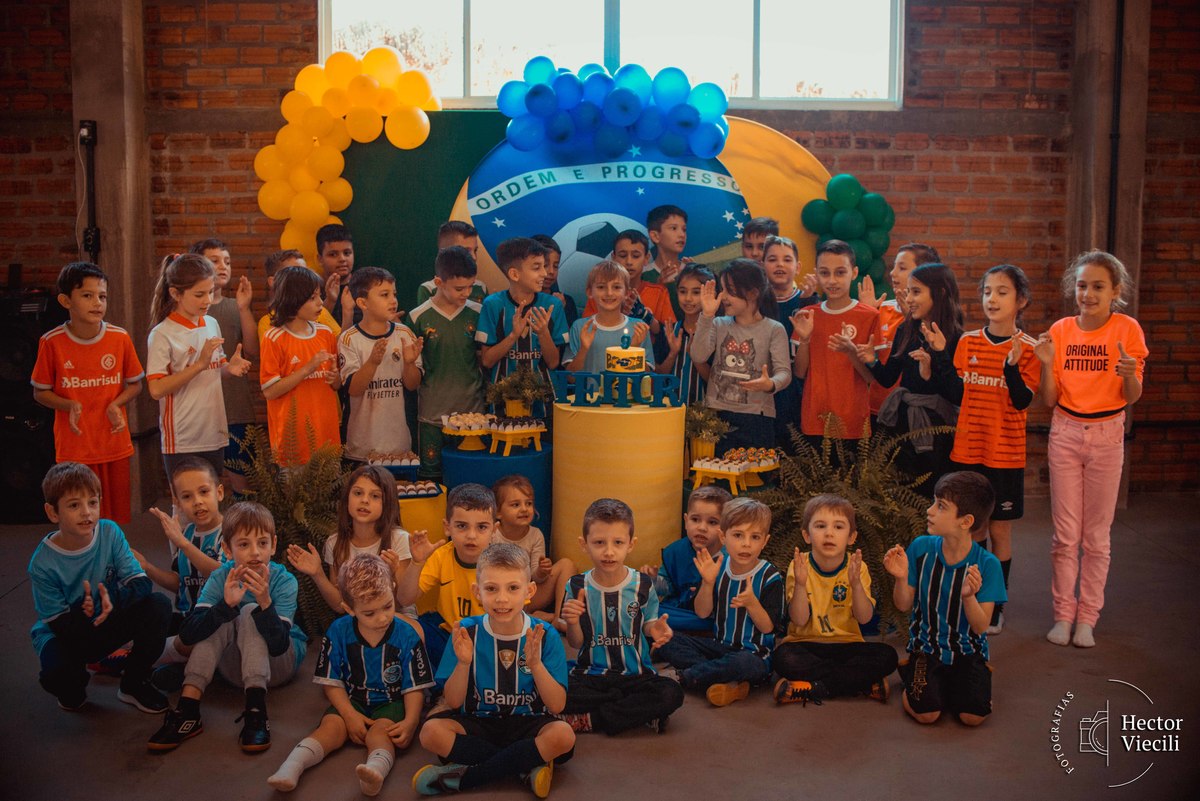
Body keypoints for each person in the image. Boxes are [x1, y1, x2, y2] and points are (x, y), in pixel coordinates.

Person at [1036, 250, 1147, 649]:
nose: (1088, 294)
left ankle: (1087, 618)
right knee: (1065, 535)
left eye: (1098, 286)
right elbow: (1049, 399)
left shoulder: (1127, 329)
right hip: (1065, 432)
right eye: (1082, 286)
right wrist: (1046, 363)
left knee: (1097, 537)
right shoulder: (1062, 329)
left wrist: (1130, 374)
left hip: (1107, 434)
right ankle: (1063, 615)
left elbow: (1132, 396)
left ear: (1115, 291)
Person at [929, 264, 1040, 635]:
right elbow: (957, 393)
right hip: (967, 452)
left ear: (1021, 300)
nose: (992, 299)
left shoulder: (1029, 348)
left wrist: (1012, 367)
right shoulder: (968, 342)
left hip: (1004, 455)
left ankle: (995, 605)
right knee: (972, 531)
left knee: (1000, 533)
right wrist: (941, 354)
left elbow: (1022, 400)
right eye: (988, 291)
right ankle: (971, 600)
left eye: (1002, 292)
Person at [413, 542, 575, 797]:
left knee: (563, 736)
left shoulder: (544, 634)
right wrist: (463, 663)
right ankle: (524, 767)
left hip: (527, 722)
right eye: (491, 588)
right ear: (477, 592)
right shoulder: (466, 631)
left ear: (529, 590)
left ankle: (466, 777)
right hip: (479, 721)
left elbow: (557, 705)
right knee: (431, 733)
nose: (502, 598)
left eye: (513, 588)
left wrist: (535, 665)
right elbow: (453, 702)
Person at [148, 501, 308, 752]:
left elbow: (278, 646)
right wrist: (224, 606)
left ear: (273, 545)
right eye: (244, 544)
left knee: (249, 610)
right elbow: (189, 634)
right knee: (218, 615)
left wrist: (265, 603)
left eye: (262, 543)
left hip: (278, 665)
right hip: (236, 665)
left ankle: (256, 712)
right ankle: (188, 711)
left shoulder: (284, 581)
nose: (255, 552)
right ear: (227, 549)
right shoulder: (220, 576)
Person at [268, 554, 433, 795]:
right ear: (349, 609)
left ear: (393, 589)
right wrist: (348, 714)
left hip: (390, 702)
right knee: (330, 729)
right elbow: (331, 680)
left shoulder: (407, 635)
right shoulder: (338, 631)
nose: (382, 617)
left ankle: (374, 772)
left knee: (381, 733)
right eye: (369, 613)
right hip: (352, 699)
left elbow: (415, 685)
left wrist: (411, 721)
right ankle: (292, 766)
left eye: (387, 606)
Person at [29, 462, 172, 713]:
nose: (87, 512)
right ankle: (74, 685)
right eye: (74, 505)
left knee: (158, 606)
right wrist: (89, 610)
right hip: (67, 634)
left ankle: (133, 683)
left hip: (106, 618)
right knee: (59, 678)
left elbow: (141, 583)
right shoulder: (42, 563)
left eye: (92, 502)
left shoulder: (109, 532)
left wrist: (112, 600)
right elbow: (59, 624)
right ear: (53, 512)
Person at [883, 472, 1004, 726]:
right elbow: (903, 605)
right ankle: (914, 672)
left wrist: (968, 597)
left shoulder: (988, 564)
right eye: (933, 502)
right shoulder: (921, 548)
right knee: (927, 714)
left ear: (965, 521)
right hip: (927, 649)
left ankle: (965, 679)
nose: (929, 510)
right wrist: (901, 578)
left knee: (973, 717)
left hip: (968, 651)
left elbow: (981, 626)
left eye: (941, 506)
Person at [31, 262, 144, 525]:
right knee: (80, 519)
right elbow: (40, 392)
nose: (97, 303)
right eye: (87, 295)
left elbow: (136, 385)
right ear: (65, 301)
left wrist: (116, 404)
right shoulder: (51, 342)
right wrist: (69, 405)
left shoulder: (120, 338)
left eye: (102, 296)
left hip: (114, 444)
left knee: (114, 520)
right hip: (75, 448)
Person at [558, 498, 682, 735]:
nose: (609, 551)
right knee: (552, 687)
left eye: (618, 542)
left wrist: (654, 629)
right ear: (584, 544)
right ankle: (634, 712)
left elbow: (648, 624)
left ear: (631, 544)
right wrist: (572, 623)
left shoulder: (643, 584)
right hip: (591, 674)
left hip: (635, 675)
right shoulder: (575, 585)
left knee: (670, 693)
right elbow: (575, 643)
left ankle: (592, 719)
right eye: (599, 542)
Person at [655, 497, 786, 707]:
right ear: (723, 537)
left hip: (754, 655)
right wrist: (707, 583)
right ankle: (724, 681)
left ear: (764, 541)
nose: (746, 543)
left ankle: (685, 677)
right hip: (719, 646)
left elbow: (768, 628)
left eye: (755, 537)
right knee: (668, 639)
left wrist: (752, 603)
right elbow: (702, 613)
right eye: (738, 535)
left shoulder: (770, 576)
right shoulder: (717, 568)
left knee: (744, 663)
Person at [772, 494, 898, 705]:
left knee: (887, 656)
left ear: (851, 537)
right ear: (806, 535)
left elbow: (864, 618)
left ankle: (815, 687)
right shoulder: (799, 565)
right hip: (806, 644)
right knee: (782, 658)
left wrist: (856, 585)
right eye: (820, 526)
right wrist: (801, 584)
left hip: (848, 644)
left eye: (838, 527)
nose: (829, 533)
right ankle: (860, 684)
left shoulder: (858, 567)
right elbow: (799, 619)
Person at [854, 261, 965, 495]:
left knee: (931, 490)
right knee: (902, 491)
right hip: (903, 424)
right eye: (908, 292)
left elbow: (957, 395)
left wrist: (935, 362)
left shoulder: (957, 336)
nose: (909, 299)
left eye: (916, 292)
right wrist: (871, 360)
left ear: (939, 293)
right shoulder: (906, 329)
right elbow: (888, 378)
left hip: (938, 429)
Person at [147, 253, 251, 479]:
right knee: (185, 499)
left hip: (214, 431)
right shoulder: (162, 333)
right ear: (175, 294)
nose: (207, 300)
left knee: (211, 495)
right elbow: (156, 389)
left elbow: (217, 369)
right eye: (199, 294)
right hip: (183, 437)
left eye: (211, 292)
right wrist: (199, 365)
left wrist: (230, 368)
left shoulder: (211, 323)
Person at [128, 457, 225, 689]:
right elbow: (180, 582)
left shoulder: (229, 532)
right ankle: (144, 659)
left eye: (204, 492)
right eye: (187, 496)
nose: (197, 502)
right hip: (186, 616)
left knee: (180, 650)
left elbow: (221, 575)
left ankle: (148, 662)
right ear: (178, 503)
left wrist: (182, 544)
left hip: (216, 623)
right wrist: (148, 567)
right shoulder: (187, 533)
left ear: (219, 492)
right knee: (146, 625)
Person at [690, 259, 791, 451]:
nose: (723, 297)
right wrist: (707, 316)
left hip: (757, 417)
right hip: (717, 414)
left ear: (753, 293)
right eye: (722, 290)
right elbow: (698, 356)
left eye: (730, 290)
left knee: (755, 469)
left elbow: (785, 373)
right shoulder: (718, 323)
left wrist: (770, 384)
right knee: (716, 468)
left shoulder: (774, 329)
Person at [286, 464, 413, 615]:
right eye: (358, 493)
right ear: (347, 498)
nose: (364, 500)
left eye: (375, 496)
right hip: (358, 618)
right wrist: (317, 573)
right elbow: (340, 606)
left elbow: (403, 602)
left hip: (396, 616)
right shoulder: (335, 543)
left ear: (387, 503)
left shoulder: (399, 539)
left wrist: (392, 575)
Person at [792, 239, 880, 446]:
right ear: (817, 274)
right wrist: (805, 339)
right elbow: (799, 372)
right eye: (825, 273)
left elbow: (870, 377)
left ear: (854, 273)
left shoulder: (869, 316)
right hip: (815, 418)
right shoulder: (808, 315)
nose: (832, 280)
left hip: (853, 421)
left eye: (840, 272)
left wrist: (851, 352)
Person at [409, 245, 485, 481]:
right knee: (431, 479)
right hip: (432, 414)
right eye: (459, 288)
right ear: (438, 282)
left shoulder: (478, 313)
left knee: (471, 478)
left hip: (473, 414)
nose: (466, 293)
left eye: (471, 286)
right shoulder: (418, 317)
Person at [396, 483, 495, 665]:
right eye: (462, 526)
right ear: (447, 527)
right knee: (394, 621)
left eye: (481, 527)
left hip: (488, 637)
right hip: (447, 633)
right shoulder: (442, 555)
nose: (471, 535)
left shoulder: (503, 563)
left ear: (494, 531)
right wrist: (417, 563)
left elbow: (515, 614)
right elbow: (404, 599)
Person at [189, 238, 258, 493]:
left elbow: (252, 351)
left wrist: (244, 308)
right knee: (200, 480)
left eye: (227, 262)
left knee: (242, 480)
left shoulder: (233, 306)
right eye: (214, 261)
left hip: (235, 408)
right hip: (199, 411)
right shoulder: (188, 313)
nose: (223, 266)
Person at [338, 266, 423, 463]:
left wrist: (409, 363)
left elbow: (412, 385)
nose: (393, 300)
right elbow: (353, 389)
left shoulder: (404, 334)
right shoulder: (349, 338)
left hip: (398, 446)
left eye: (394, 294)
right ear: (362, 303)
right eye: (384, 295)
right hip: (361, 447)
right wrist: (372, 362)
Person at [476, 237, 568, 415]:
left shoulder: (553, 305)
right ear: (514, 274)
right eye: (537, 267)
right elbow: (487, 361)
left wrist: (543, 333)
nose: (544, 273)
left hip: (545, 406)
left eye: (544, 266)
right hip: (502, 405)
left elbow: (553, 362)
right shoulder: (493, 305)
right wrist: (513, 336)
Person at [260, 265, 341, 466]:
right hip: (293, 447)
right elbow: (270, 391)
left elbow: (337, 384)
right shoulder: (273, 338)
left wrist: (335, 379)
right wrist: (307, 369)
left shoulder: (326, 334)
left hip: (328, 441)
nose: (320, 303)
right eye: (312, 298)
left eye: (320, 296)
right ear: (292, 300)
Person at [858, 243, 942, 418]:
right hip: (876, 408)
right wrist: (866, 315)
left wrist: (910, 319)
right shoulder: (882, 309)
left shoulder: (935, 318)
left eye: (902, 268)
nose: (892, 273)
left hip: (912, 411)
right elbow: (866, 354)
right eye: (894, 266)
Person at [641, 484, 732, 633]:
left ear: (725, 527)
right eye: (695, 519)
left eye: (712, 522)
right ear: (686, 520)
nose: (702, 528)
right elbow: (667, 588)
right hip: (678, 612)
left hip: (712, 618)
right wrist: (654, 580)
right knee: (643, 612)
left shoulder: (731, 558)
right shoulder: (676, 551)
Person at [491, 475, 574, 626]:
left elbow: (536, 578)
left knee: (567, 565)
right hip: (501, 597)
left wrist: (542, 572)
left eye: (528, 503)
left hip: (528, 595)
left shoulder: (535, 535)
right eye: (515, 505)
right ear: (498, 513)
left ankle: (559, 617)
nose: (524, 509)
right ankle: (528, 617)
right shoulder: (492, 535)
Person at [763, 235, 818, 450]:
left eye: (787, 259)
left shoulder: (809, 301)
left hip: (798, 389)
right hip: (765, 387)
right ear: (762, 264)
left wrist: (808, 302)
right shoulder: (754, 303)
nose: (780, 264)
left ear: (798, 267)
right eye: (772, 259)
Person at [564, 260, 652, 374]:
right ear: (590, 292)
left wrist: (633, 350)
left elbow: (647, 378)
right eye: (601, 287)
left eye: (616, 287)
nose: (609, 293)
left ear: (626, 293)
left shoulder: (639, 328)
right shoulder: (580, 327)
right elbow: (571, 377)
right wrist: (584, 349)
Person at [655, 263, 713, 406]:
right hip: (669, 411)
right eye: (683, 291)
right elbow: (657, 377)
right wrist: (673, 354)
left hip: (704, 415)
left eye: (696, 292)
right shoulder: (669, 331)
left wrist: (696, 357)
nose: (688, 298)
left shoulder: (716, 332)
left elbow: (717, 382)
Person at [257, 249, 341, 341]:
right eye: (295, 273)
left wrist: (347, 310)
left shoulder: (321, 313)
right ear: (273, 282)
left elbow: (341, 343)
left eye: (305, 272)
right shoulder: (268, 323)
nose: (304, 279)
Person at [415, 221, 488, 306]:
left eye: (475, 250)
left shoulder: (480, 287)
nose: (474, 257)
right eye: (465, 251)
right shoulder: (428, 289)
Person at [317, 223, 359, 329]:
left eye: (347, 253)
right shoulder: (313, 292)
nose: (342, 259)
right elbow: (314, 328)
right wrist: (330, 301)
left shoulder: (366, 287)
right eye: (333, 254)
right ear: (320, 259)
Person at [533, 234, 577, 326]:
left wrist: (561, 310)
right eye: (545, 265)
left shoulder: (566, 301)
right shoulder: (518, 300)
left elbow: (571, 333)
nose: (551, 271)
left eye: (555, 266)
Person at [643, 204, 689, 284]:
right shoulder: (643, 275)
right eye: (673, 228)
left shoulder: (692, 272)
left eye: (684, 229)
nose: (682, 234)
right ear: (655, 236)